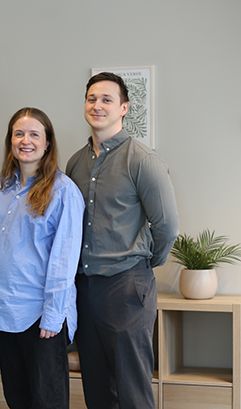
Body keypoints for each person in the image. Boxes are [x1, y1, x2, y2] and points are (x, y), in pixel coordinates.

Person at [66, 72, 178, 409]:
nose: (97, 106)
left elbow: (167, 226)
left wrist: (142, 264)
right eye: (92, 99)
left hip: (126, 286)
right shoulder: (75, 163)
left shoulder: (142, 160)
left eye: (107, 100)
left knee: (132, 390)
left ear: (124, 108)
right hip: (84, 287)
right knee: (96, 388)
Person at [0, 107, 84, 408]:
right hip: (4, 311)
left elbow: (64, 262)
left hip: (40, 317)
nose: (26, 140)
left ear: (47, 143)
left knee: (47, 402)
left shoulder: (64, 192)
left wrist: (53, 316)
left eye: (34, 134)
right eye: (19, 134)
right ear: (10, 140)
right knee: (17, 399)